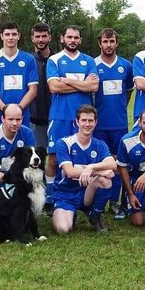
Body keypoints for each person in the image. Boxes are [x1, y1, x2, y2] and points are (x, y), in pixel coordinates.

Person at [46, 25, 99, 215]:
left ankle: (81, 198)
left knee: (80, 157)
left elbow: (93, 86)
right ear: (62, 38)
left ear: (80, 40)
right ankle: (51, 198)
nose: (72, 40)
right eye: (69, 37)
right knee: (53, 158)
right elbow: (54, 87)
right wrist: (82, 85)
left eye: (76, 37)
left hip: (83, 118)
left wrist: (66, 81)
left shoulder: (88, 61)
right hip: (60, 115)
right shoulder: (54, 60)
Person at [53, 105, 116, 234]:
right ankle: (71, 213)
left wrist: (90, 167)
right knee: (63, 229)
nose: (87, 124)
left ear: (96, 122)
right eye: (84, 120)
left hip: (88, 193)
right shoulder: (64, 143)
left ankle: (96, 215)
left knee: (106, 180)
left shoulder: (99, 144)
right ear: (77, 122)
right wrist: (98, 171)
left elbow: (112, 165)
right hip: (66, 194)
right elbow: (70, 172)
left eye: (90, 121)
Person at [92, 28, 134, 220]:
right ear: (100, 43)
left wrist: (118, 108)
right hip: (98, 125)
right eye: (105, 42)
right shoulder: (92, 64)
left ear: (116, 43)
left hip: (119, 124)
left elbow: (128, 91)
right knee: (99, 164)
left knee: (119, 164)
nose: (108, 45)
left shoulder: (126, 65)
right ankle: (97, 200)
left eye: (112, 41)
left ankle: (116, 203)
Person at [0, 104, 36, 207]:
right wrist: (14, 180)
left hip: (20, 182)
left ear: (22, 119)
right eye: (10, 119)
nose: (14, 123)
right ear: (3, 118)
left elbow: (31, 165)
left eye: (18, 119)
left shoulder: (28, 134)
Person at [0, 22, 38, 127]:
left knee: (23, 143)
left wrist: (18, 109)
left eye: (14, 34)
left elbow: (33, 90)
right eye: (7, 34)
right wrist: (5, 110)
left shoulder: (29, 59)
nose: (11, 37)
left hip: (22, 115)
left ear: (19, 36)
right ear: (1, 36)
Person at [28, 23, 54, 147]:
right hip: (35, 119)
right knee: (38, 158)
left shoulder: (58, 59)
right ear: (32, 38)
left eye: (44, 36)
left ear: (50, 37)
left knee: (58, 157)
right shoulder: (28, 60)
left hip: (56, 118)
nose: (40, 40)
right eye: (37, 36)